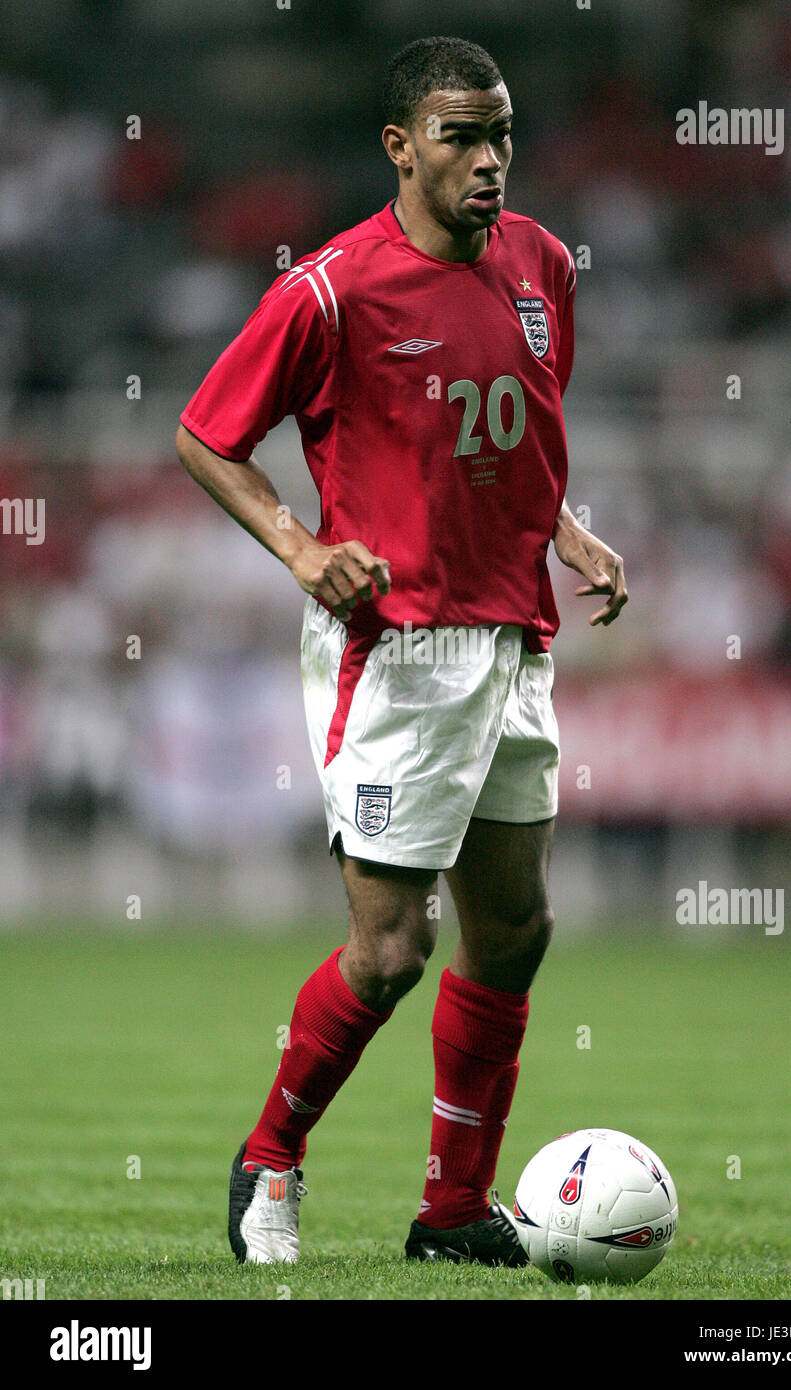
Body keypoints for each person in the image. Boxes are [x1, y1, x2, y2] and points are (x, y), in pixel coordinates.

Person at [175, 35, 627, 1267]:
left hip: (513, 637)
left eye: (500, 136)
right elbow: (205, 434)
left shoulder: (540, 263)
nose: (487, 162)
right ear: (398, 147)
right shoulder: (327, 291)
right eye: (458, 137)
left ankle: (450, 1213)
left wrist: (568, 532)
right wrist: (299, 545)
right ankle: (271, 1158)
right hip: (400, 650)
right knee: (389, 951)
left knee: (516, 931)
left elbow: (516, 428)